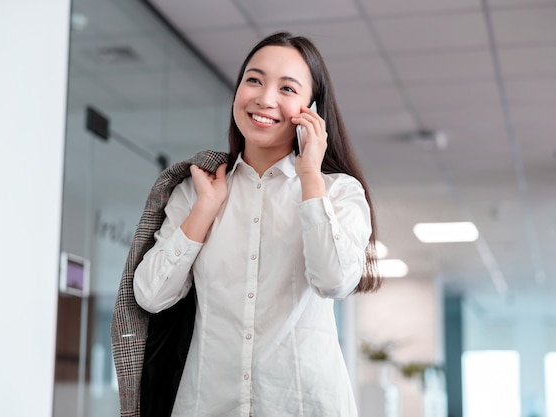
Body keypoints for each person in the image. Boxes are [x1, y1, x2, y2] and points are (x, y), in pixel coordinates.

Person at [132, 31, 382, 417]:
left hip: (304, 405)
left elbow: (333, 280)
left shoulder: (339, 192)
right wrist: (205, 209)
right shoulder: (195, 190)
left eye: (287, 88)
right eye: (254, 80)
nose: (265, 99)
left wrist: (311, 176)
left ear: (311, 109)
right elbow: (150, 295)